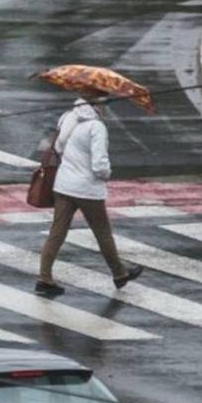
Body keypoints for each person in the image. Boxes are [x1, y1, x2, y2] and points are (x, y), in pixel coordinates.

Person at [35, 97, 142, 298]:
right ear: (96, 106)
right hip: (87, 189)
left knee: (57, 233)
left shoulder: (68, 117)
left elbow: (58, 149)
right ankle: (119, 273)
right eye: (105, 103)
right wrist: (107, 174)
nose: (107, 108)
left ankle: (44, 278)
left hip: (64, 185)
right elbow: (99, 164)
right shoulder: (96, 127)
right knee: (103, 233)